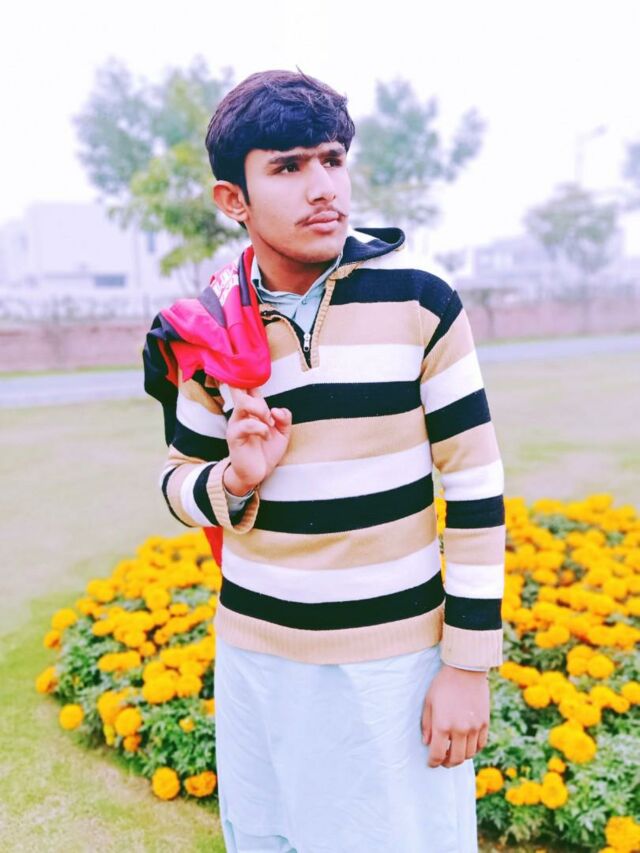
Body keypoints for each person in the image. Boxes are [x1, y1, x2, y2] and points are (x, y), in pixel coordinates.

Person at [149, 69, 506, 852]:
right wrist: (234, 477)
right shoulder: (210, 327)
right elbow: (176, 483)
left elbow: (476, 484)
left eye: (333, 159)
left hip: (395, 665)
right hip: (256, 659)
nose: (323, 187)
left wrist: (467, 665)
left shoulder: (421, 300)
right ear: (233, 199)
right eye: (287, 166)